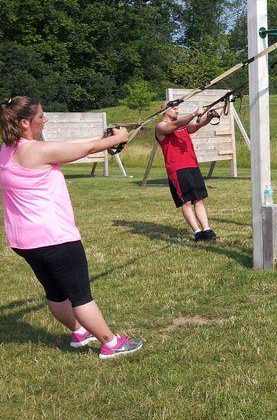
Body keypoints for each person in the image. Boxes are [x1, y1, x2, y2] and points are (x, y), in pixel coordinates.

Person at [0, 96, 143, 359]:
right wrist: (116, 138)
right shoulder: (37, 152)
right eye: (41, 116)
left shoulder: (7, 151)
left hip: (24, 241)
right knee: (80, 296)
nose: (45, 120)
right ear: (24, 122)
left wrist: (105, 138)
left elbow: (67, 146)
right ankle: (111, 343)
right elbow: (83, 150)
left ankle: (79, 332)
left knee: (55, 293)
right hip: (54, 238)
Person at [155, 102, 219, 242]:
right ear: (164, 110)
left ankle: (207, 230)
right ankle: (197, 233)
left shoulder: (181, 126)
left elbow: (195, 126)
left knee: (199, 199)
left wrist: (208, 117)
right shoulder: (161, 126)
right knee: (187, 202)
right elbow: (175, 126)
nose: (177, 109)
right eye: (174, 107)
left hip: (192, 166)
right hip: (177, 169)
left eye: (178, 107)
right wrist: (194, 113)